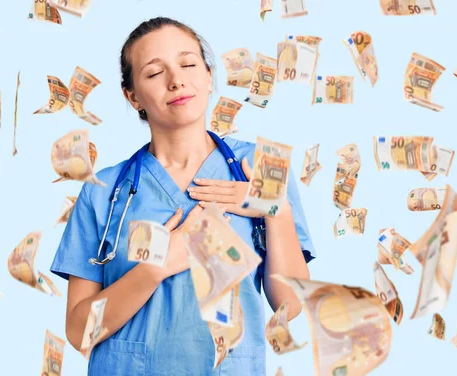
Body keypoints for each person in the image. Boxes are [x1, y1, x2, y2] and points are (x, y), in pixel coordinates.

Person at [50, 17, 316, 376]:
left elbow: (291, 305)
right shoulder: (103, 192)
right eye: (154, 73)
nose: (176, 80)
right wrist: (157, 267)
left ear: (208, 76)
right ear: (133, 96)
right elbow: (80, 332)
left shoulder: (262, 166)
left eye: (188, 64)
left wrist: (276, 210)